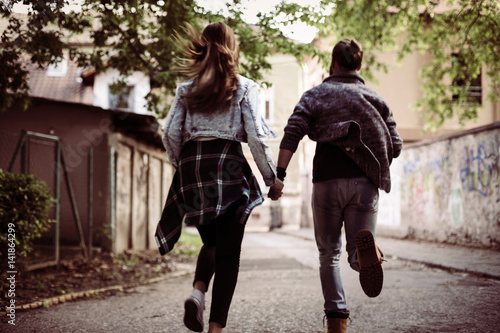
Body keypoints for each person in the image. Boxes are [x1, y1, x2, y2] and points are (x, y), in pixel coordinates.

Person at [154, 22, 283, 333]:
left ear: (203, 46)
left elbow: (170, 133)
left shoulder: (187, 88)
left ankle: (198, 293)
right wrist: (271, 178)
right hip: (227, 165)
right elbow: (254, 137)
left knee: (211, 240)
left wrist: (183, 168)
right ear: (231, 47)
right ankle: (215, 330)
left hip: (193, 167)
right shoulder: (243, 87)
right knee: (229, 253)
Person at [272, 38, 403, 333]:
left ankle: (336, 321)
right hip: (364, 184)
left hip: (327, 181)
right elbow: (394, 145)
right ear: (359, 65)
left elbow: (293, 131)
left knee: (328, 254)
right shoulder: (375, 99)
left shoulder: (316, 95)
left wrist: (280, 174)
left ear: (333, 64)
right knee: (357, 250)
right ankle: (368, 255)